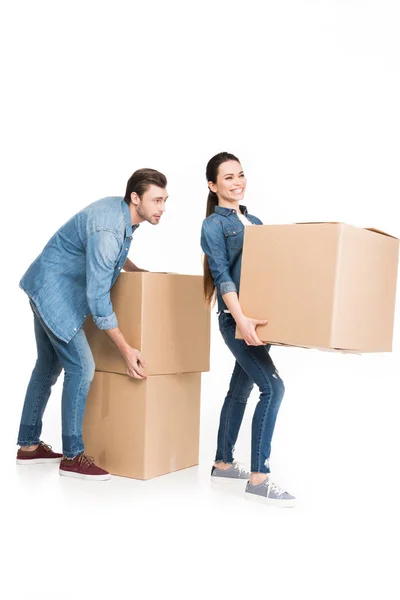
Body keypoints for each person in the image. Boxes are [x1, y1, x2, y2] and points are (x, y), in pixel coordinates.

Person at [16, 168, 168, 480]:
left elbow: (107, 254)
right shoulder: (108, 231)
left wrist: (136, 270)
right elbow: (99, 300)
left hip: (44, 283)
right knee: (82, 367)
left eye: (165, 200)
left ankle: (28, 447)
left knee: (47, 366)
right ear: (136, 198)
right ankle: (72, 456)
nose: (162, 208)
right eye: (156, 200)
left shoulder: (119, 212)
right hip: (55, 294)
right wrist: (126, 350)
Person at [200, 152, 295, 507]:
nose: (237, 182)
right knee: (273, 387)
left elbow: (267, 273)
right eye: (228, 178)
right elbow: (223, 276)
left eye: (240, 174)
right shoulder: (213, 225)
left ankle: (223, 462)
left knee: (239, 390)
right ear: (213, 185)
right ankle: (259, 476)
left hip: (257, 321)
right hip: (236, 319)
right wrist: (241, 320)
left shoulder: (254, 220)